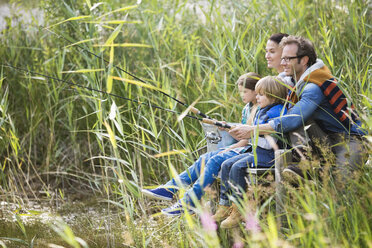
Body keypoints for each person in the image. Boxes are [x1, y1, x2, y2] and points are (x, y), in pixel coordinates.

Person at [229, 35, 366, 186]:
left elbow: (294, 118)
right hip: (325, 139)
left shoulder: (313, 86)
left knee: (342, 188)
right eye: (282, 58)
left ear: (304, 60)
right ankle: (306, 162)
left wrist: (254, 130)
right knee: (295, 117)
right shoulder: (293, 84)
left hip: (348, 140)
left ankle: (313, 169)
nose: (283, 63)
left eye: (288, 59)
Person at [141, 72, 261, 216]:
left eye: (245, 92)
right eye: (240, 92)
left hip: (251, 150)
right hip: (243, 147)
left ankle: (189, 202)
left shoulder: (260, 108)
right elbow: (243, 137)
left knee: (215, 159)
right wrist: (228, 129)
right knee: (204, 158)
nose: (242, 95)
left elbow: (248, 140)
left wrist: (230, 147)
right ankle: (171, 188)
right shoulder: (247, 108)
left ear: (256, 90)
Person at [212, 76, 288, 228]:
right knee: (226, 164)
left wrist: (251, 134)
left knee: (237, 167)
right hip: (257, 152)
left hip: (269, 156)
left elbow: (269, 144)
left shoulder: (275, 113)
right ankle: (225, 205)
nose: (257, 97)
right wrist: (239, 132)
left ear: (272, 95)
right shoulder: (262, 110)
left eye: (261, 94)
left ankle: (239, 209)